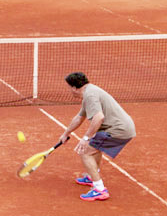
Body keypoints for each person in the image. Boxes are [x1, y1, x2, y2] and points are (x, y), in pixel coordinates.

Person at [58, 72, 136, 202]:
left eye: (69, 87)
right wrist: (66, 133)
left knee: (85, 151)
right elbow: (79, 118)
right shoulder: (89, 92)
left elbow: (99, 117)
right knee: (95, 146)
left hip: (118, 130)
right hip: (120, 127)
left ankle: (99, 189)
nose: (69, 90)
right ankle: (90, 176)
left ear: (74, 87)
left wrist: (85, 138)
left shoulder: (90, 95)